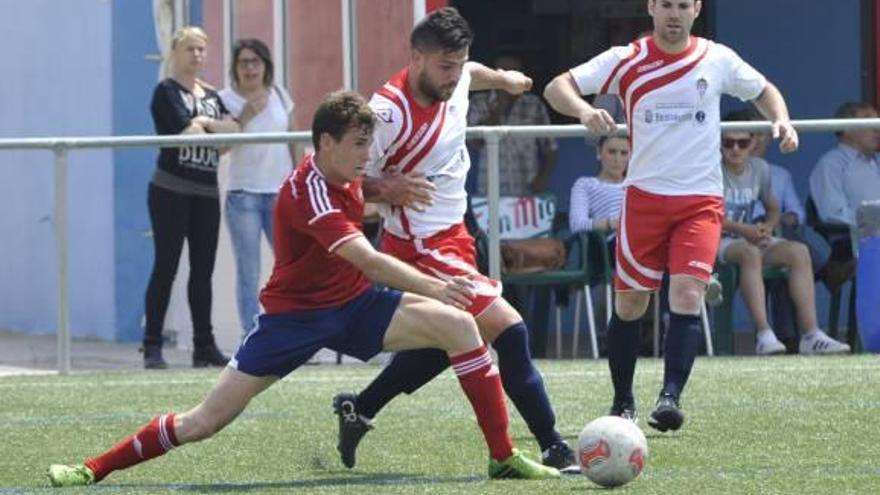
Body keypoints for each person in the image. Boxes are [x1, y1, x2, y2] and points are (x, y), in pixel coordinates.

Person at [46, 91, 560, 488]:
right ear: (325, 144)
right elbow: (370, 260)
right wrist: (435, 284)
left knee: (460, 326)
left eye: (369, 142)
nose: (368, 153)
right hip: (294, 319)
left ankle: (502, 457)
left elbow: (366, 206)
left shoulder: (349, 172)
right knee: (205, 421)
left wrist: (387, 189)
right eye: (359, 144)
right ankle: (93, 469)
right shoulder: (308, 192)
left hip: (354, 305)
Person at [331, 7, 578, 473]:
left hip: (456, 234)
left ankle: (359, 407)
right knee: (510, 329)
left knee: (445, 344)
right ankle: (553, 446)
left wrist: (503, 79)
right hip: (420, 247)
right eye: (445, 66)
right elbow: (336, 178)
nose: (454, 76)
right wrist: (384, 189)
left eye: (459, 64)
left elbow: (474, 74)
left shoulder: (459, 75)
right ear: (416, 58)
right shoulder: (387, 112)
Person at [543, 0, 799, 431]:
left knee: (685, 296)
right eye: (666, 5)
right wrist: (585, 109)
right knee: (630, 304)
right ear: (652, 8)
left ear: (697, 8)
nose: (674, 13)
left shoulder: (716, 58)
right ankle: (623, 401)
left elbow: (764, 90)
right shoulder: (627, 59)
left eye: (683, 4)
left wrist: (782, 120)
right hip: (643, 199)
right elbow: (557, 87)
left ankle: (669, 398)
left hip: (699, 202)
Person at [143, 26, 239, 369]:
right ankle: (152, 345)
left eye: (201, 49)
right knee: (166, 266)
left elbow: (232, 137)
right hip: (170, 189)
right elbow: (187, 134)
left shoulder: (213, 95)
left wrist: (205, 122)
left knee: (203, 271)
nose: (196, 55)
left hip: (206, 190)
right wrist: (206, 126)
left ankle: (204, 345)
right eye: (189, 49)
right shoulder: (165, 91)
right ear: (175, 52)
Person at [717, 116, 850, 355]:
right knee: (749, 252)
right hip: (718, 240)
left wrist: (768, 226)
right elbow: (708, 216)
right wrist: (746, 231)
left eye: (742, 143)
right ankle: (764, 334)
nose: (735, 149)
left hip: (749, 236)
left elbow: (774, 207)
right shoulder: (711, 169)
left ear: (753, 143)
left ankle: (811, 334)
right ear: (719, 144)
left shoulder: (759, 169)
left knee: (798, 251)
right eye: (728, 143)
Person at [219, 38, 295, 336]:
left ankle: (294, 330)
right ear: (235, 69)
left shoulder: (279, 94)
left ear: (266, 66)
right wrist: (243, 118)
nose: (250, 68)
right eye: (243, 62)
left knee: (290, 267)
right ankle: (251, 337)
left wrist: (297, 185)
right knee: (249, 271)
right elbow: (221, 148)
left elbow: (293, 142)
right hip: (244, 196)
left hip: (279, 194)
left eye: (255, 61)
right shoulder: (224, 99)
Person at [467, 53, 558, 196]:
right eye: (503, 70)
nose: (509, 76)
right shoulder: (479, 102)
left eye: (514, 70)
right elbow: (473, 143)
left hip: (528, 187)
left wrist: (542, 178)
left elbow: (550, 147)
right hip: (490, 187)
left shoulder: (533, 104)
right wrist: (499, 108)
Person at [810, 101, 880, 265]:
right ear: (847, 127)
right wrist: (870, 222)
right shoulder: (830, 165)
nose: (877, 129)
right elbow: (831, 212)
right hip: (855, 238)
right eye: (869, 121)